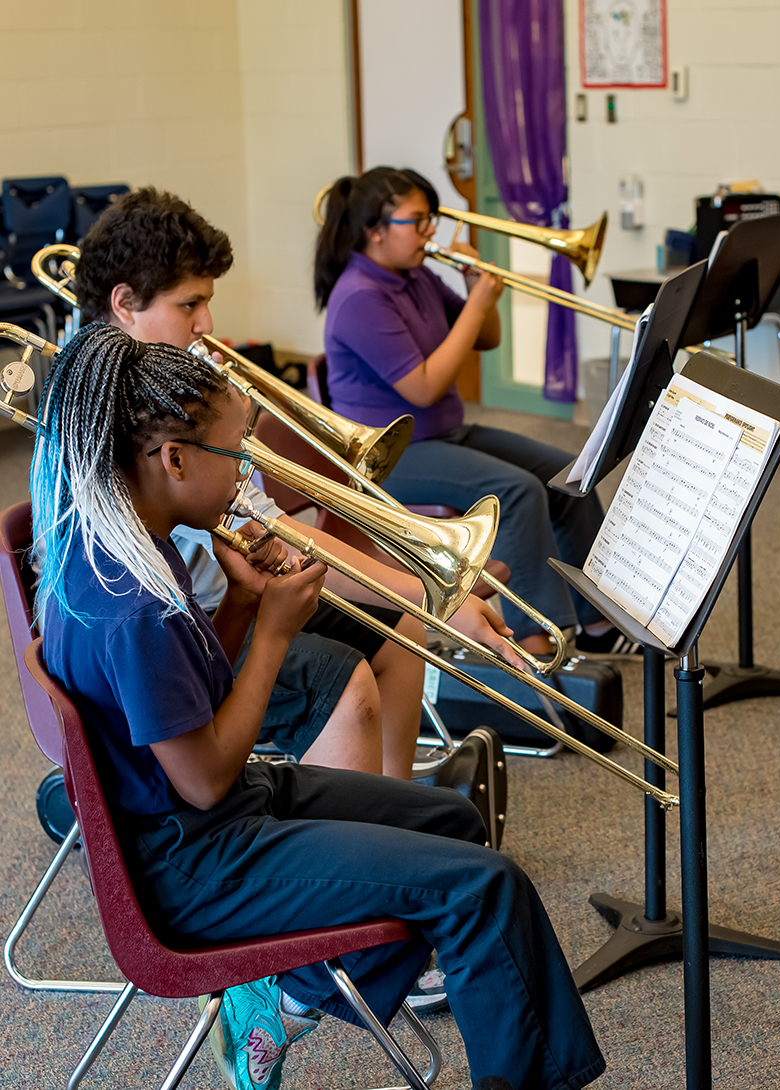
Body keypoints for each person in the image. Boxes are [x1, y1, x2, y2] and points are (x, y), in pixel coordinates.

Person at [32, 323, 606, 1090]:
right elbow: (201, 777)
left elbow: (189, 698)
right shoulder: (129, 603)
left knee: (454, 823)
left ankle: (288, 1001)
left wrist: (241, 605)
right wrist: (273, 635)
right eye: (237, 457)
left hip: (210, 816)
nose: (247, 478)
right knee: (483, 886)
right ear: (170, 459)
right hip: (197, 861)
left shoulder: (128, 538)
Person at [75, 187, 519, 785]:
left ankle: (401, 802)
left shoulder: (165, 389)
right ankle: (366, 851)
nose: (207, 325)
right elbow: (277, 541)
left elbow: (270, 536)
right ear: (124, 303)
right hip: (184, 630)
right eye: (189, 306)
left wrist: (428, 598)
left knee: (403, 630)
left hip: (232, 597)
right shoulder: (107, 411)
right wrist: (433, 595)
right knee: (347, 683)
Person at [315, 167, 638, 658]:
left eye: (431, 220)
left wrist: (473, 289)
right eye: (418, 221)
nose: (430, 233)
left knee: (567, 474)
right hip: (389, 457)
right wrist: (476, 303)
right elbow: (423, 388)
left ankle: (598, 624)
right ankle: (533, 643)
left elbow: (486, 339)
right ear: (374, 230)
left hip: (445, 433)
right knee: (519, 491)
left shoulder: (415, 275)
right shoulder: (360, 297)